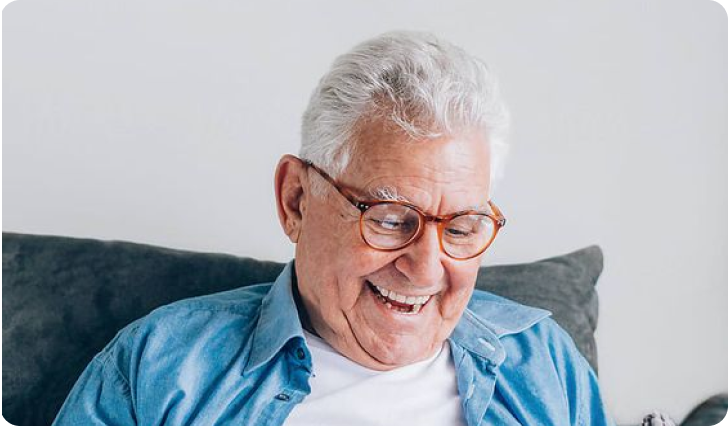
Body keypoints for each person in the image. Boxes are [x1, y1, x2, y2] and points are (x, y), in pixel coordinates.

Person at [53, 31, 613, 425]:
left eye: (462, 229)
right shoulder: (160, 366)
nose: (425, 268)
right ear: (295, 200)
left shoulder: (542, 361)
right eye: (391, 220)